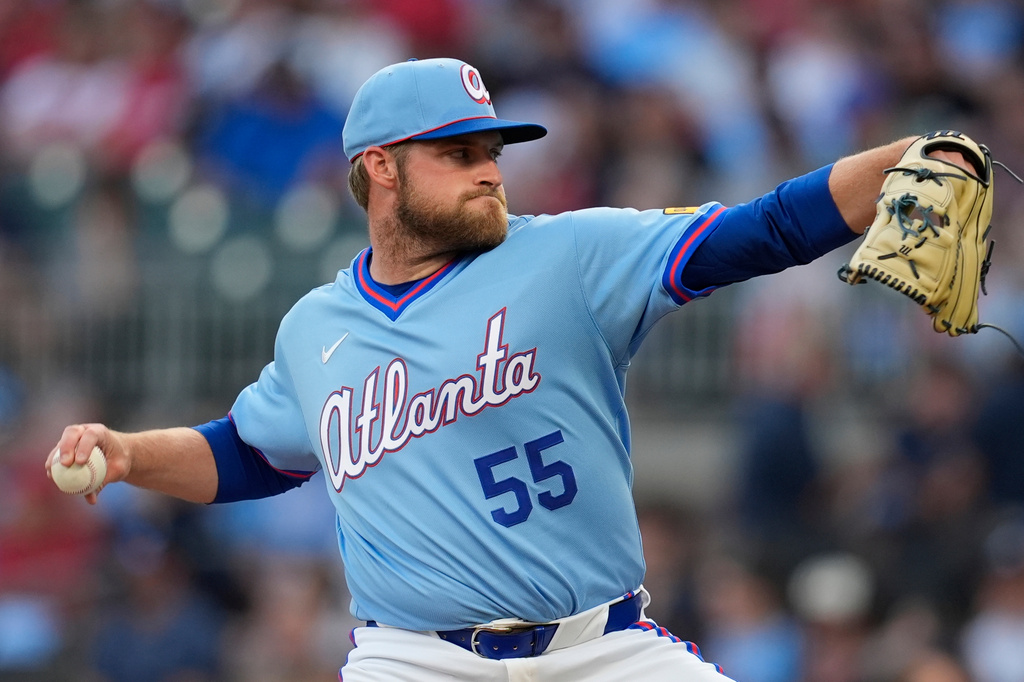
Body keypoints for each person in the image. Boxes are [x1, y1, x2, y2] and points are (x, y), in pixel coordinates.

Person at [47, 57, 970, 681]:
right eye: (457, 155)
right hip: (416, 661)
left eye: (491, 152)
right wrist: (130, 454)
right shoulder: (314, 329)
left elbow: (763, 230)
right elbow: (252, 453)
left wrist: (897, 160)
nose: (489, 172)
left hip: (600, 649)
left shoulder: (571, 256)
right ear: (381, 170)